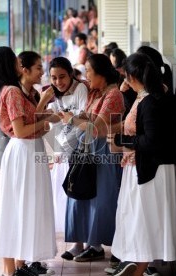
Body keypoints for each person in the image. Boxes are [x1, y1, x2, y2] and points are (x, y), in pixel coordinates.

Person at [0, 48, 59, 276]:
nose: (18, 64)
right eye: (15, 61)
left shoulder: (17, 91)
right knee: (16, 208)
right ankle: (10, 270)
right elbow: (21, 131)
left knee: (24, 207)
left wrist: (43, 118)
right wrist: (44, 120)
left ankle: (18, 267)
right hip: (22, 152)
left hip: (28, 151)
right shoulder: (12, 92)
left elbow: (28, 126)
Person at [107, 53, 176, 276]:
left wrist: (122, 140)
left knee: (143, 220)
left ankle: (138, 266)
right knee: (136, 219)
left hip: (150, 170)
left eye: (125, 76)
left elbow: (152, 140)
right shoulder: (144, 97)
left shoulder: (152, 101)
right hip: (140, 167)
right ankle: (135, 263)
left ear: (131, 76)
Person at [59, 54, 125, 263]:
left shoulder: (113, 95)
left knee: (99, 199)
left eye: (89, 71)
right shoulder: (97, 92)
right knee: (80, 195)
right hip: (87, 151)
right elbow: (89, 119)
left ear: (101, 74)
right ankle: (82, 242)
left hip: (101, 152)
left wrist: (72, 119)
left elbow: (96, 129)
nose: (86, 75)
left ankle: (95, 245)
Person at [44, 56, 88, 233]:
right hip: (62, 148)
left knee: (76, 193)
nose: (58, 82)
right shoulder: (55, 93)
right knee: (63, 193)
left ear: (71, 74)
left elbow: (83, 119)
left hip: (77, 149)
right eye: (53, 78)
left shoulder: (80, 89)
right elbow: (55, 118)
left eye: (62, 77)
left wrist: (65, 117)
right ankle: (71, 235)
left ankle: (81, 239)